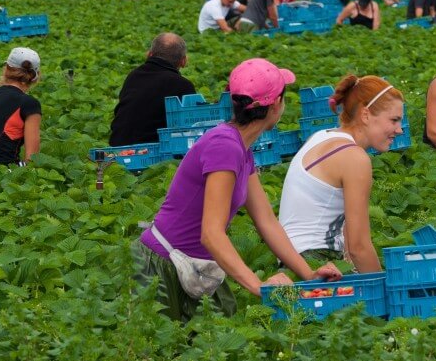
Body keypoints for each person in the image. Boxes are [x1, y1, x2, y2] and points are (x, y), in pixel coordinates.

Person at [132, 59, 342, 322]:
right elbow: (211, 233)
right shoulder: (225, 147)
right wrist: (257, 285)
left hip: (196, 267)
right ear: (276, 104)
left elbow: (266, 221)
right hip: (163, 266)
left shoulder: (241, 148)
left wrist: (308, 274)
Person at [278, 75, 405, 272]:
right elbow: (359, 247)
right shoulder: (354, 158)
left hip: (292, 261)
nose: (399, 130)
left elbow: (348, 237)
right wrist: (385, 291)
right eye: (394, 120)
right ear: (365, 115)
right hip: (315, 259)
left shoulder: (322, 137)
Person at [109, 33, 196, 146]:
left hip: (117, 145)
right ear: (184, 61)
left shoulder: (134, 76)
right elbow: (191, 127)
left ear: (149, 55)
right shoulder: (183, 85)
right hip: (154, 151)